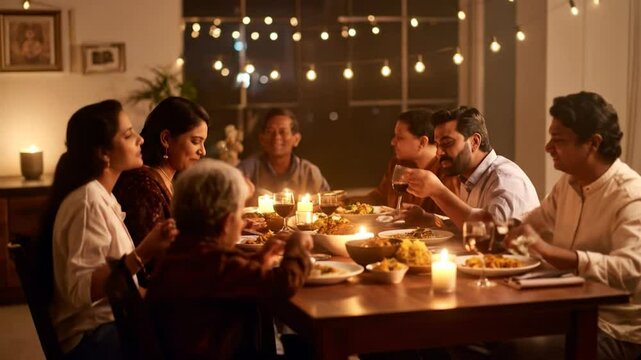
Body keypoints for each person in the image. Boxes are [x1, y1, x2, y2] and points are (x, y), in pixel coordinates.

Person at [37, 100, 177, 359]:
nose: (140, 140)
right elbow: (82, 290)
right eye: (128, 135)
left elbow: (125, 288)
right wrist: (143, 252)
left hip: (113, 323)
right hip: (94, 338)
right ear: (103, 152)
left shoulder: (102, 196)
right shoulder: (87, 201)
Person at [506, 92, 641, 360]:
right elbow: (533, 222)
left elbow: (631, 270)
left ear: (593, 143)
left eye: (558, 141)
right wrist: (505, 228)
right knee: (485, 334)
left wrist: (549, 252)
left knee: (519, 348)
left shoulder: (630, 194)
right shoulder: (568, 183)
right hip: (568, 309)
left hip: (614, 329)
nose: (547, 147)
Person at [146, 159, 313, 359]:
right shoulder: (216, 264)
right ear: (226, 223)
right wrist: (298, 241)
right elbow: (284, 282)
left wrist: (260, 258)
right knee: (311, 346)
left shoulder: (179, 252)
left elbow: (231, 278)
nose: (242, 222)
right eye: (239, 215)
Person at [405, 106, 540, 228]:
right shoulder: (469, 177)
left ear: (474, 142)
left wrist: (438, 192)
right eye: (438, 145)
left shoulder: (506, 179)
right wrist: (430, 220)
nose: (438, 152)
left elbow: (494, 234)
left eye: (447, 143)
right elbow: (468, 225)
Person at [114, 96, 209, 248]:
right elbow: (153, 255)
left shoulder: (169, 179)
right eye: (196, 141)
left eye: (203, 143)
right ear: (166, 139)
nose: (203, 151)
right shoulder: (142, 186)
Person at [358, 109, 459, 215]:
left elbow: (452, 221)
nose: (392, 142)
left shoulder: (448, 171)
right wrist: (345, 202)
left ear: (422, 142)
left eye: (400, 138)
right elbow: (378, 198)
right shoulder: (398, 165)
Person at [238, 108, 329, 203]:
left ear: (296, 139)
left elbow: (328, 203)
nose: (276, 137)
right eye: (270, 132)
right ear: (262, 139)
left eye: (283, 132)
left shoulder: (309, 173)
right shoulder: (247, 170)